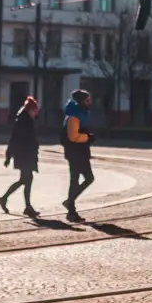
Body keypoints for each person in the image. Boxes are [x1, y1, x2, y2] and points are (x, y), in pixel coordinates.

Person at [0, 96, 42, 216]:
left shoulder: (25, 120)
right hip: (24, 155)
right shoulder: (23, 122)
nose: (35, 113)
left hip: (26, 154)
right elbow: (14, 140)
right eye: (34, 110)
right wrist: (8, 156)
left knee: (25, 180)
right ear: (29, 110)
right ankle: (24, 206)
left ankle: (6, 199)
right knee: (27, 179)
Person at [61, 88, 95, 222]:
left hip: (80, 152)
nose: (89, 102)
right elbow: (73, 136)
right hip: (75, 152)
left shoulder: (80, 114)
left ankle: (70, 203)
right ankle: (71, 211)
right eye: (87, 100)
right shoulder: (74, 116)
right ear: (81, 101)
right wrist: (88, 137)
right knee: (75, 180)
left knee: (87, 178)